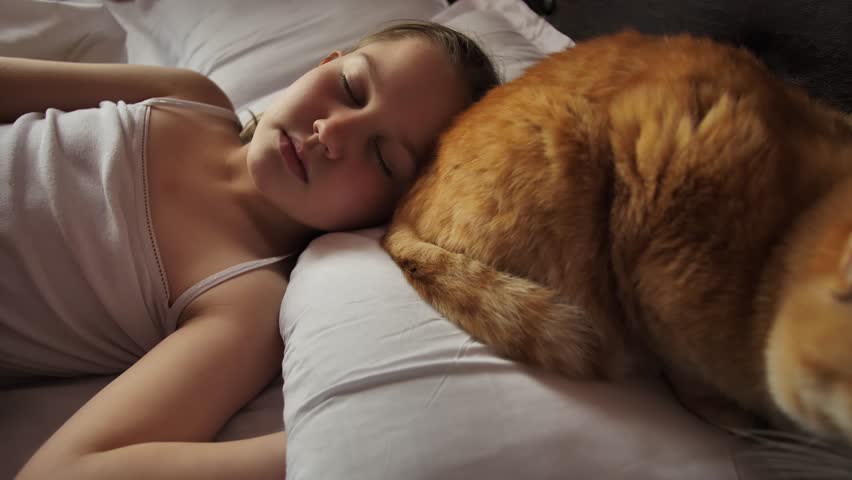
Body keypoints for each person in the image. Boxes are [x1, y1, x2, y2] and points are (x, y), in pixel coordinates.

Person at [3, 21, 499, 479]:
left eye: (382, 157)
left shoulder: (245, 302)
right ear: (323, 64)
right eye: (350, 88)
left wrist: (338, 444)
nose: (331, 131)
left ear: (393, 211)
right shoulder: (186, 96)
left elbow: (62, 470)